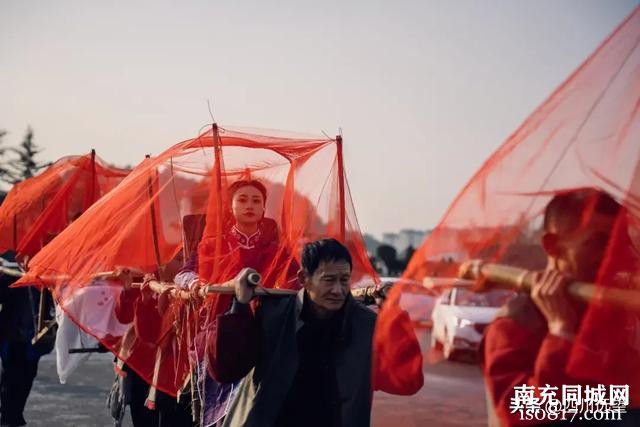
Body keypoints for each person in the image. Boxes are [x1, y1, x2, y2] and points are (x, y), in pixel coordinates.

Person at [206, 238, 424, 427]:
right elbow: (226, 370)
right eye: (328, 280)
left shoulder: (365, 325)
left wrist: (394, 320)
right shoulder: (273, 314)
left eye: (344, 280)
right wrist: (241, 305)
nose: (338, 290)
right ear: (303, 279)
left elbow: (407, 382)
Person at [477, 188, 640, 425]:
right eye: (598, 243)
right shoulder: (514, 323)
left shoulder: (603, 313)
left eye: (616, 245)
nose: (610, 257)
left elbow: (628, 390)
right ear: (552, 245)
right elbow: (521, 412)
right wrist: (561, 332)